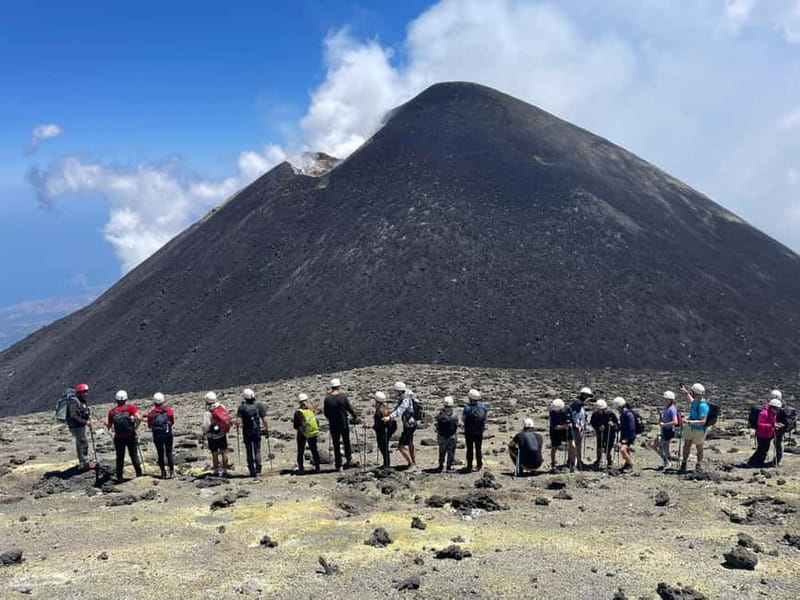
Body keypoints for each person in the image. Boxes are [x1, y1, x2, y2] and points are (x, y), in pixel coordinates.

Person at [106, 390, 142, 483]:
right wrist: (136, 427)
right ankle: (139, 474)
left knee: (120, 457)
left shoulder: (112, 412)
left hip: (118, 438)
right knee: (134, 455)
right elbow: (139, 417)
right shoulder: (130, 408)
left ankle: (119, 477)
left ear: (116, 400)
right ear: (126, 398)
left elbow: (110, 426)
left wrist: (106, 424)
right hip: (130, 435)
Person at [323, 378, 358, 471]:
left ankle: (338, 464)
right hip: (343, 423)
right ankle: (349, 459)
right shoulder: (343, 397)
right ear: (338, 386)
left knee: (336, 443)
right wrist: (354, 416)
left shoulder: (327, 399)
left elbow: (326, 412)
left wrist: (330, 418)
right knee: (346, 441)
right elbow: (349, 408)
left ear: (331, 387)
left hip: (333, 424)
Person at [384, 382, 417, 471]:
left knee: (401, 446)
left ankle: (411, 464)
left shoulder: (405, 398)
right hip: (412, 423)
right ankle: (413, 461)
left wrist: (390, 417)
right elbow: (398, 408)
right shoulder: (407, 395)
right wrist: (391, 413)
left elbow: (401, 408)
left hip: (409, 424)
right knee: (410, 442)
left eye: (395, 391)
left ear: (398, 391)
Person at [236, 388, 268, 477]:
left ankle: (251, 470)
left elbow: (238, 421)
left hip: (246, 432)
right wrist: (266, 430)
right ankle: (258, 471)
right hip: (256, 431)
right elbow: (265, 420)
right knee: (257, 450)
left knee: (249, 451)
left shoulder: (241, 407)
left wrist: (237, 426)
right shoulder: (259, 406)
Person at [679, 383, 709, 473]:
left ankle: (698, 465)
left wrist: (688, 422)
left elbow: (703, 421)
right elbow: (692, 401)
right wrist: (686, 392)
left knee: (699, 447)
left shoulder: (703, 405)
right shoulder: (697, 401)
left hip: (699, 430)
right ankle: (684, 463)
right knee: (687, 445)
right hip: (691, 427)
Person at [746, 398, 784, 467]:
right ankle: (751, 462)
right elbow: (760, 424)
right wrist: (772, 425)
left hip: (768, 434)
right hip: (761, 434)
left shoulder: (773, 413)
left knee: (765, 449)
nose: (777, 411)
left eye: (778, 409)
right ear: (772, 407)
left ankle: (759, 462)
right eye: (776, 409)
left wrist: (777, 424)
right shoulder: (764, 413)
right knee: (761, 449)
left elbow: (772, 422)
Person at [146, 392, 175, 479]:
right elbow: (172, 422)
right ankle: (172, 472)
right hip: (168, 434)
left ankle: (163, 472)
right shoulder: (169, 411)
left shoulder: (151, 413)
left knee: (160, 453)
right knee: (169, 453)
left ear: (154, 402)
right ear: (163, 401)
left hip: (157, 436)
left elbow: (149, 425)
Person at [202, 391, 231, 477]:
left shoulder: (208, 412)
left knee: (214, 453)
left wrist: (205, 432)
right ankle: (225, 470)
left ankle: (216, 471)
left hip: (212, 436)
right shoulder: (221, 407)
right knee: (224, 451)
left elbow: (205, 425)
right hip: (222, 433)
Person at [66, 383, 93, 470]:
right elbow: (73, 415)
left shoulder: (82, 401)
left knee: (82, 442)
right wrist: (85, 422)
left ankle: (84, 460)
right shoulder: (74, 402)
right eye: (84, 392)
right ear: (79, 392)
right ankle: (83, 462)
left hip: (81, 425)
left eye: (86, 392)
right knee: (82, 442)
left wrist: (87, 420)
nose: (86, 394)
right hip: (76, 426)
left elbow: (84, 412)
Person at [460, 389, 488, 473]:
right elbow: (485, 419)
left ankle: (469, 466)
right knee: (478, 448)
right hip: (479, 432)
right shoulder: (483, 407)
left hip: (469, 432)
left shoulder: (467, 408)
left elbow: (462, 420)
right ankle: (479, 465)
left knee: (470, 449)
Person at [649, 391, 678, 470]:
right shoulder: (668, 408)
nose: (664, 401)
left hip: (668, 430)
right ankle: (667, 462)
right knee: (661, 446)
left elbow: (675, 422)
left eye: (666, 400)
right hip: (665, 430)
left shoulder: (672, 409)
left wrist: (664, 424)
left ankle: (667, 462)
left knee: (662, 446)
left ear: (670, 400)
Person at [293, 394, 321, 473]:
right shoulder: (311, 410)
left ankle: (301, 468)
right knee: (314, 450)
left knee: (301, 451)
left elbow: (295, 426)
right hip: (312, 432)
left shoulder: (298, 412)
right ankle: (317, 467)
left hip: (302, 433)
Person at [589, 399, 618, 469]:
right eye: (598, 409)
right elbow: (592, 422)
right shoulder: (595, 414)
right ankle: (598, 460)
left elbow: (617, 425)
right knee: (599, 447)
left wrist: (612, 425)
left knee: (607, 450)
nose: (599, 411)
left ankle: (609, 462)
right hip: (600, 433)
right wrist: (598, 428)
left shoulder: (610, 414)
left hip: (610, 434)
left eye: (600, 410)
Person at [371, 391, 396, 469]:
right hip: (386, 432)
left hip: (381, 433)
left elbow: (378, 426)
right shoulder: (385, 409)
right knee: (385, 449)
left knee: (383, 449)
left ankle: (386, 465)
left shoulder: (378, 412)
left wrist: (370, 426)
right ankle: (386, 464)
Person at [569, 387, 592, 470]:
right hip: (576, 428)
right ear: (585, 395)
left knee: (576, 445)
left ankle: (576, 461)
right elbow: (573, 415)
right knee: (576, 445)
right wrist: (576, 424)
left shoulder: (579, 403)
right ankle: (575, 463)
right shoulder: (578, 404)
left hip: (579, 427)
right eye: (588, 396)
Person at [433, 396, 459, 472]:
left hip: (441, 435)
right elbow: (456, 425)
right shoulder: (454, 415)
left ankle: (441, 465)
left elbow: (436, 424)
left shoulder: (439, 414)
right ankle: (448, 466)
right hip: (452, 435)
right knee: (451, 451)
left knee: (442, 451)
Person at [548, 398, 571, 471]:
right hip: (555, 432)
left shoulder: (567, 409)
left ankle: (570, 461)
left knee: (570, 444)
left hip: (566, 430)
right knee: (554, 447)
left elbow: (571, 418)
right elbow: (556, 426)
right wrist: (565, 426)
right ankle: (553, 463)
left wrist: (569, 424)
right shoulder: (552, 412)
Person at [615, 397, 636, 472]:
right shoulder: (623, 414)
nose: (616, 409)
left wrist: (626, 438)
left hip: (629, 436)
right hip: (624, 435)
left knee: (622, 450)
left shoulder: (628, 414)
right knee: (626, 450)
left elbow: (631, 427)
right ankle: (627, 464)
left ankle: (630, 465)